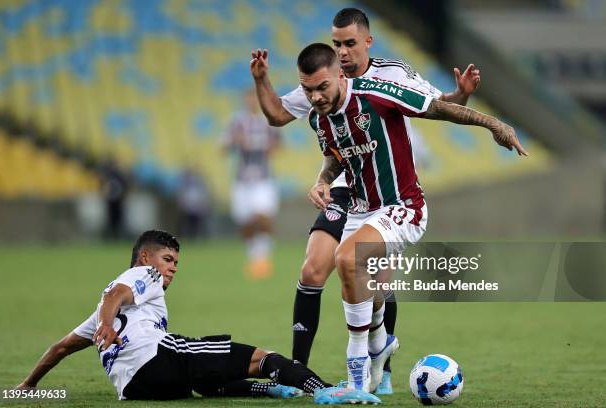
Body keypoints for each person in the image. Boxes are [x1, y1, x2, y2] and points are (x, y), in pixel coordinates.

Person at [250, 7, 481, 394]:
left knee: (372, 278)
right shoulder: (321, 79)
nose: (341, 51)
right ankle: (299, 371)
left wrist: (461, 96)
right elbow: (277, 114)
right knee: (312, 271)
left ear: (367, 42)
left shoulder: (391, 74)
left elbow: (434, 103)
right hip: (344, 186)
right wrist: (262, 81)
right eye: (336, 43)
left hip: (386, 189)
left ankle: (381, 371)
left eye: (349, 44)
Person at [296, 43, 526, 392]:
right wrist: (322, 181)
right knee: (364, 286)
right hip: (361, 209)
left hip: (404, 206)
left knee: (347, 258)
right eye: (307, 89)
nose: (314, 97)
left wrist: (494, 125)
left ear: (340, 76)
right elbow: (336, 157)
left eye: (321, 87)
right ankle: (378, 345)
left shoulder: (378, 94)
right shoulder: (319, 119)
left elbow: (439, 108)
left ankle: (357, 376)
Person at [16, 229, 381, 404]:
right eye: (168, 260)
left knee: (206, 382)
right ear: (146, 258)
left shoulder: (98, 314)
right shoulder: (143, 276)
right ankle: (326, 391)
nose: (172, 270)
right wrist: (109, 323)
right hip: (155, 359)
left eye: (175, 263)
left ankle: (271, 389)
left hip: (137, 390)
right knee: (260, 357)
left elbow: (61, 348)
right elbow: (117, 295)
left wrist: (28, 385)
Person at [224, 89, 281, 279]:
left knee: (262, 217)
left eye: (253, 98)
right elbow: (224, 147)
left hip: (263, 178)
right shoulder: (236, 122)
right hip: (241, 180)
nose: (251, 102)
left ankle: (263, 259)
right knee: (246, 222)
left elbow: (278, 145)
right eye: (247, 98)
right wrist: (235, 142)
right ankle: (253, 258)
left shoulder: (268, 121)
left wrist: (265, 146)